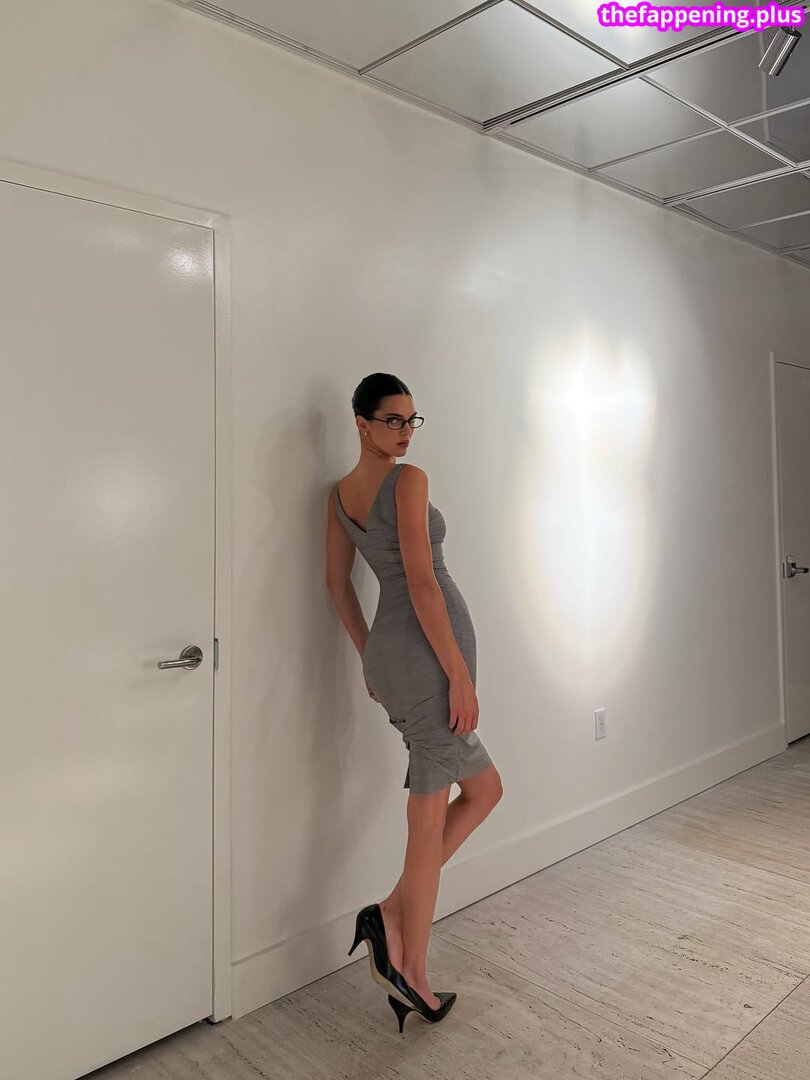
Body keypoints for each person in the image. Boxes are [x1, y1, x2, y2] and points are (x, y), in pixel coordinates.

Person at [325, 372, 503, 1032]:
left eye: (411, 420)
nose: (405, 432)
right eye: (392, 420)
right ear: (362, 423)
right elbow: (423, 583)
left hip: (394, 653)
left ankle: (390, 916)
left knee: (482, 790)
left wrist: (369, 653)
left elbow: (338, 583)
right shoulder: (408, 481)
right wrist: (458, 675)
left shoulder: (339, 496)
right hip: (427, 655)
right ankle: (413, 972)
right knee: (431, 813)